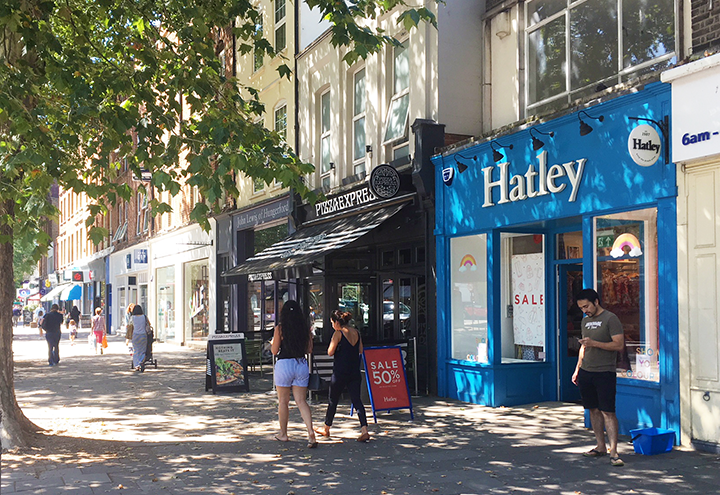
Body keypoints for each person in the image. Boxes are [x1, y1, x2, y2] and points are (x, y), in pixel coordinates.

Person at [572, 288, 625, 467]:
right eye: (581, 308)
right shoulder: (585, 321)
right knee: (592, 409)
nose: (584, 310)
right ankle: (600, 446)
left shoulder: (611, 319)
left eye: (586, 306)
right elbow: (583, 347)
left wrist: (595, 343)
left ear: (596, 302)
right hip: (587, 370)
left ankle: (615, 451)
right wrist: (577, 368)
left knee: (608, 411)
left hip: (605, 371)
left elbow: (618, 344)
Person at [315, 310, 370, 442]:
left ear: (337, 322)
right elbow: (361, 350)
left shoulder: (338, 333)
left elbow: (330, 352)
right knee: (357, 400)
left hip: (340, 372)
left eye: (333, 323)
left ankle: (326, 428)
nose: (333, 326)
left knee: (333, 400)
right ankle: (364, 430)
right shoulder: (356, 332)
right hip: (354, 371)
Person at [270, 300, 317, 448]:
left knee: (283, 401)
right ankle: (310, 432)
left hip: (284, 364)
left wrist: (273, 342)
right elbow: (309, 350)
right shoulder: (305, 329)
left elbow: (274, 351)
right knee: (301, 401)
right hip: (301, 364)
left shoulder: (280, 329)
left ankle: (283, 434)